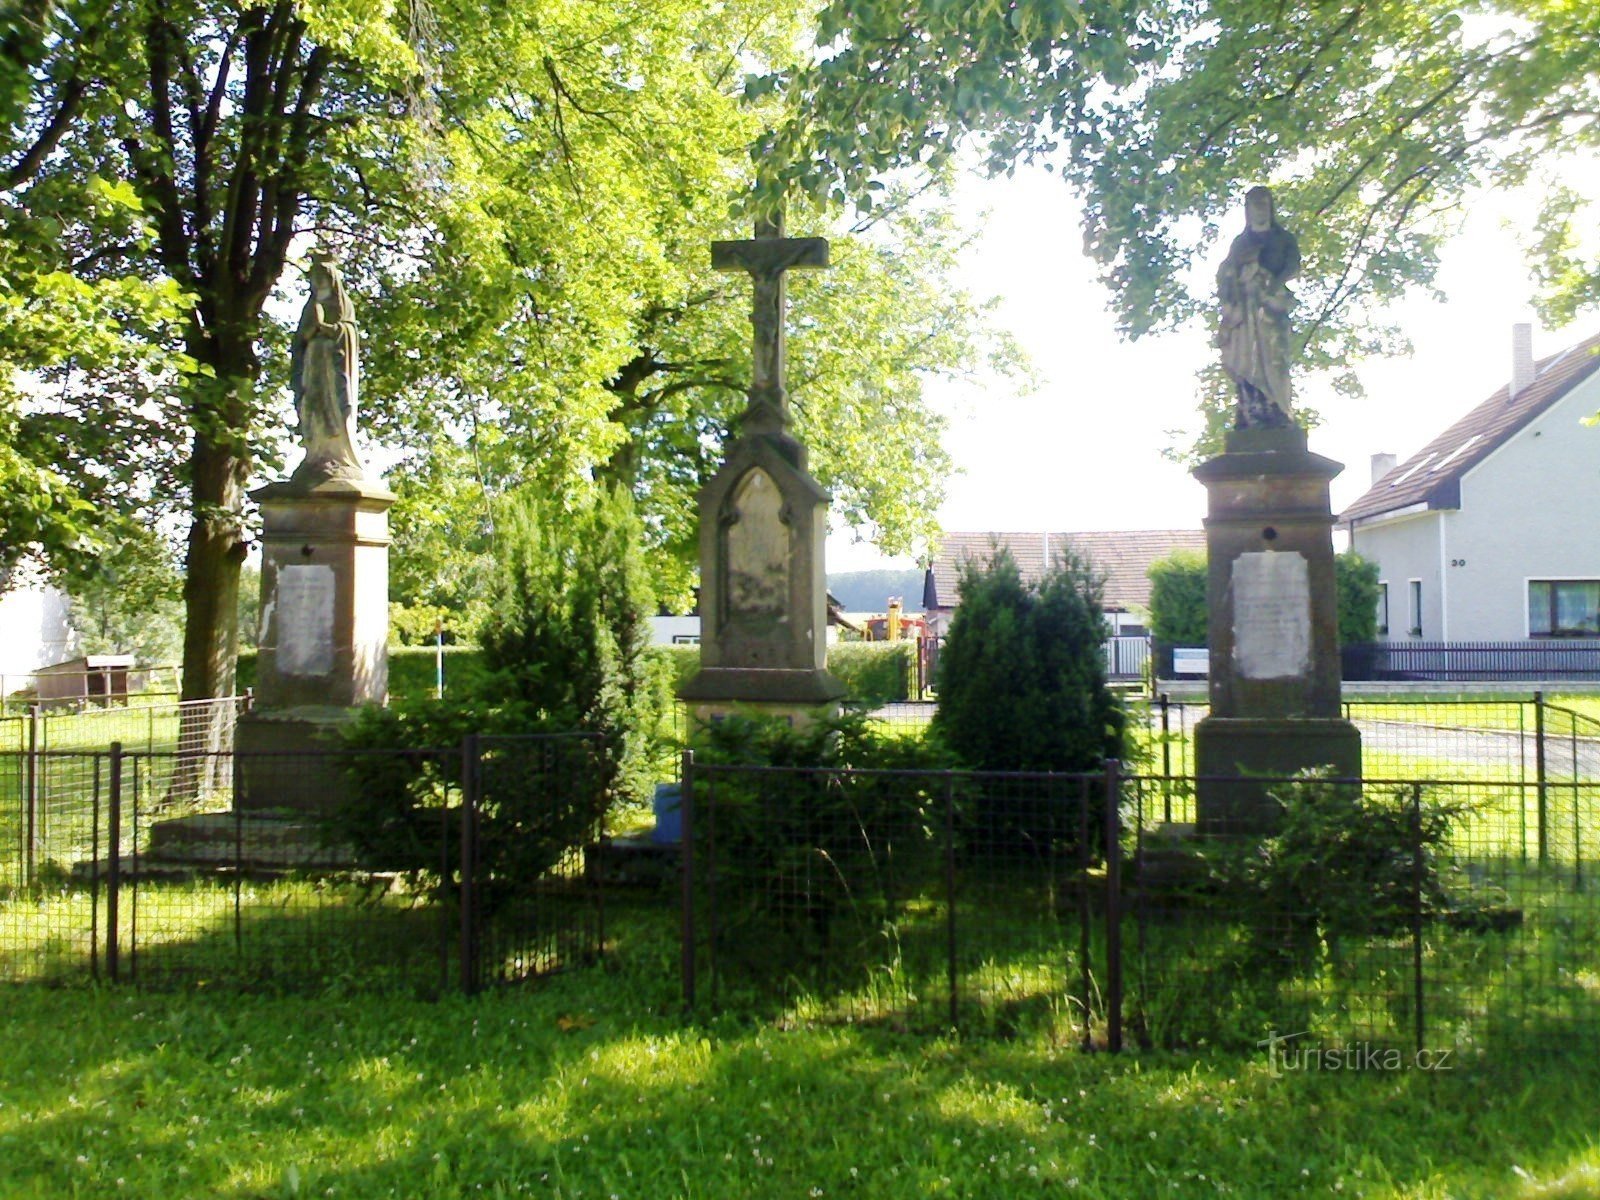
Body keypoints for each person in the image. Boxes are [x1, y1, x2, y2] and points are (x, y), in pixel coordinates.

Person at [1216, 186, 1300, 428]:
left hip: (1271, 309)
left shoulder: (1283, 239)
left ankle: (1277, 408)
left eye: (1264, 204)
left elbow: (1292, 265)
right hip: (1244, 312)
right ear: (1247, 210)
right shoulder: (1241, 242)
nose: (1260, 210)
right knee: (1246, 358)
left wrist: (1272, 282)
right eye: (1255, 205)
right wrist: (1238, 274)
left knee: (1275, 360)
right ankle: (1250, 408)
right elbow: (1226, 274)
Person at [289, 251, 365, 484]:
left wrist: (330, 329)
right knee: (312, 404)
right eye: (315, 276)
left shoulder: (342, 305)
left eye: (323, 275)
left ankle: (336, 456)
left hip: (333, 366)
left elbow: (348, 332)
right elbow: (300, 340)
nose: (319, 280)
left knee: (333, 406)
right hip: (313, 363)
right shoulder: (309, 307)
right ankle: (316, 455)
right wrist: (311, 331)